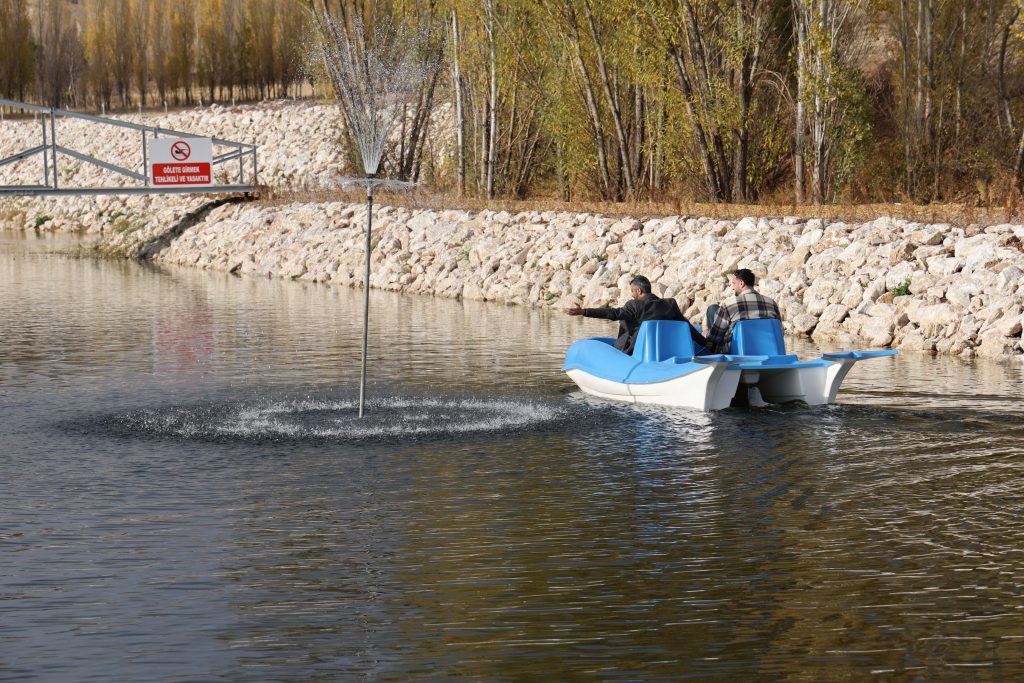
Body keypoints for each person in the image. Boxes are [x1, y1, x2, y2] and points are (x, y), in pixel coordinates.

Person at [564, 275, 707, 355]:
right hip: (669, 350)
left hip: (641, 352)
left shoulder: (635, 305)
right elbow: (686, 326)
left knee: (624, 320)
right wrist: (706, 343)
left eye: (632, 291)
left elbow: (613, 313)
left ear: (638, 291)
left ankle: (620, 353)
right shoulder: (670, 304)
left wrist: (584, 311)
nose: (631, 295)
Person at [705, 268, 781, 353]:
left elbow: (715, 338)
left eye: (733, 283)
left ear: (741, 283)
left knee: (713, 310)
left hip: (736, 353)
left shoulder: (729, 306)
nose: (732, 287)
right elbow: (779, 332)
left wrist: (706, 334)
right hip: (768, 350)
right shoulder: (772, 304)